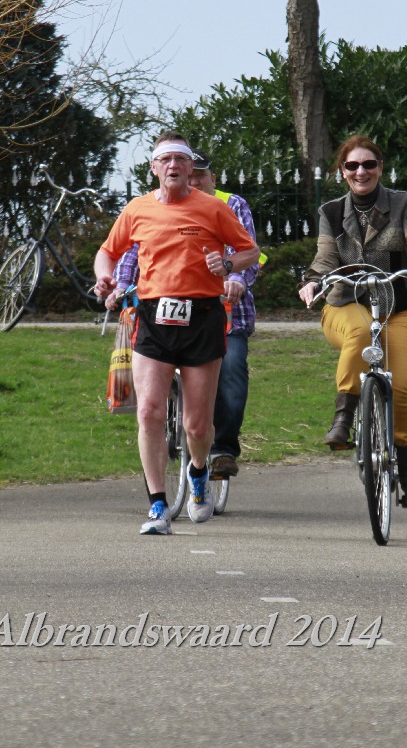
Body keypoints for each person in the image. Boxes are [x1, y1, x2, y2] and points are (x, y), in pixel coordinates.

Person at [94, 132, 260, 535]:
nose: (173, 166)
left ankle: (198, 473)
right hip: (154, 318)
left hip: (203, 317)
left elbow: (250, 251)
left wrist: (227, 265)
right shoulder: (137, 209)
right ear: (154, 168)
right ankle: (157, 505)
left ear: (190, 169)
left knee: (197, 426)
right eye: (165, 160)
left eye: (180, 160)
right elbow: (108, 252)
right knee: (149, 412)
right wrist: (105, 278)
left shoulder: (213, 208)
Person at [297, 135, 407, 508]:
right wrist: (313, 281)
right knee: (362, 332)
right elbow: (325, 256)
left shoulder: (402, 203)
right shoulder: (331, 211)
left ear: (380, 168)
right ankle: (344, 416)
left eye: (368, 164)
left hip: (400, 307)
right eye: (352, 165)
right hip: (345, 303)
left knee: (405, 384)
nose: (361, 171)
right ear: (342, 172)